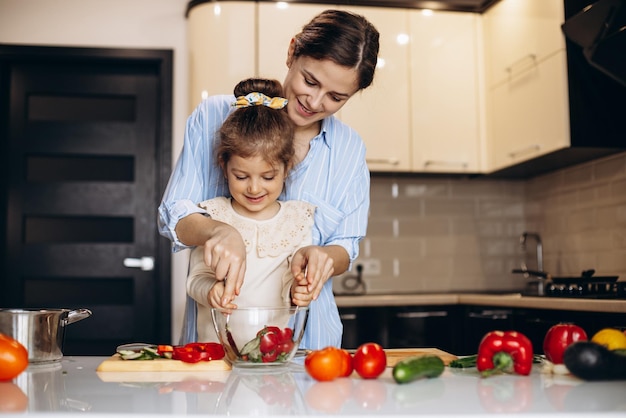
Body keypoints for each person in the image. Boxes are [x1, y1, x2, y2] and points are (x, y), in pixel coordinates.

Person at [158, 9, 380, 349]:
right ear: (292, 52)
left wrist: (324, 258)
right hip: (217, 347)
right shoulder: (215, 116)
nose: (314, 101)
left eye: (336, 97)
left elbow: (345, 247)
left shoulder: (349, 149)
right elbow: (174, 214)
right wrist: (218, 230)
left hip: (310, 347)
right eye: (310, 81)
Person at [187, 78, 316, 342]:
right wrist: (209, 289)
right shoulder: (214, 216)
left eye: (268, 177)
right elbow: (195, 279)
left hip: (270, 357)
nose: (254, 188)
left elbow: (288, 282)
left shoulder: (297, 220)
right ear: (224, 167)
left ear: (286, 169)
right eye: (241, 176)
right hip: (215, 357)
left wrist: (296, 289)